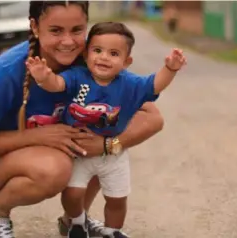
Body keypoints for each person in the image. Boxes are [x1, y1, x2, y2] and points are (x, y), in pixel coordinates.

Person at [0, 2, 164, 238]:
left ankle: (75, 221)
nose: (67, 41)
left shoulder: (92, 61)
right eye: (55, 31)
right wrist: (37, 136)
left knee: (99, 139)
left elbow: (151, 117)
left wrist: (107, 145)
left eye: (76, 30)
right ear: (34, 26)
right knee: (54, 169)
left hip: (45, 146)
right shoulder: (7, 71)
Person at [26, 22, 186, 238]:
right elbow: (57, 84)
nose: (103, 57)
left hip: (113, 154)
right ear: (86, 53)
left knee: (117, 199)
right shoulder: (77, 76)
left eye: (113, 53)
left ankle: (112, 231)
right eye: (97, 50)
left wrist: (170, 69)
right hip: (78, 150)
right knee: (72, 194)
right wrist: (43, 76)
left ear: (126, 61)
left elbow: (155, 85)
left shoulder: (129, 84)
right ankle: (77, 222)